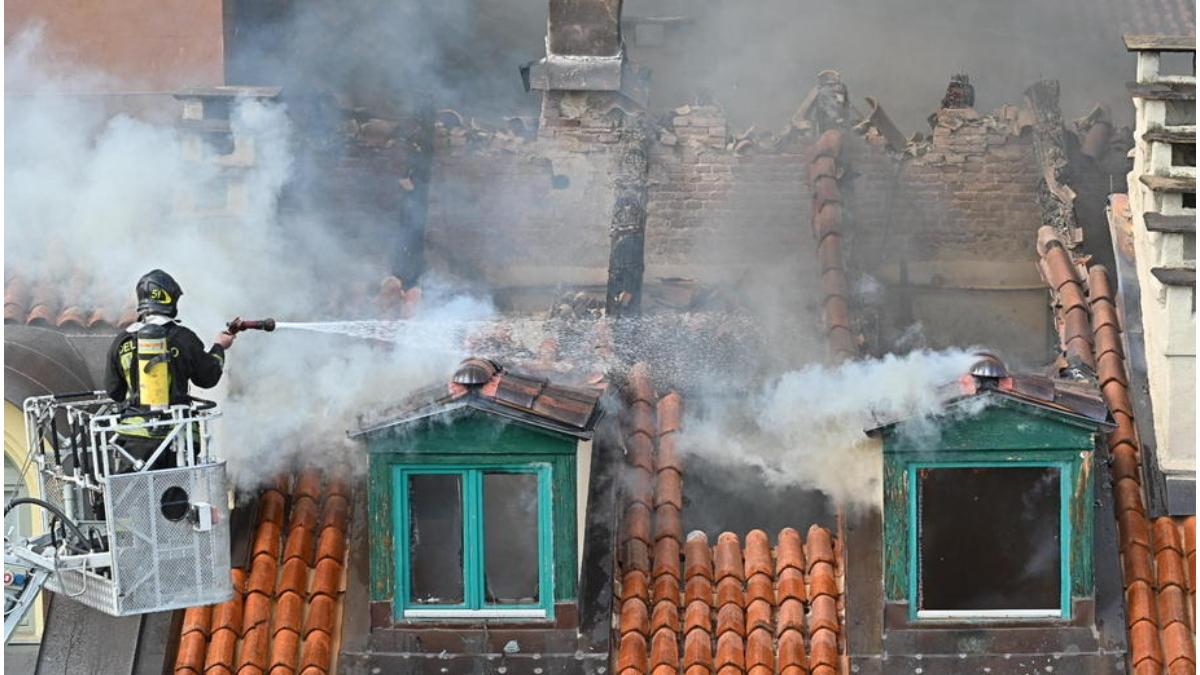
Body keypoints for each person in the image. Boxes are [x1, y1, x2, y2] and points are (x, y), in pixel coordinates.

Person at [104, 269, 235, 471]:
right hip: (178, 440)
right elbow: (208, 377)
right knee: (176, 491)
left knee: (135, 492)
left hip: (134, 441)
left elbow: (115, 392)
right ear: (170, 300)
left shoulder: (122, 341)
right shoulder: (184, 338)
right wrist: (219, 347)